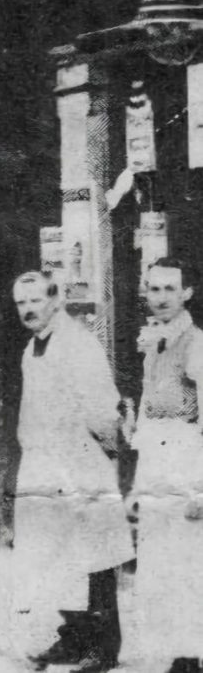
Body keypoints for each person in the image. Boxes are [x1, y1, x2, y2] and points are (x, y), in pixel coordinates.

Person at [10, 271, 131, 673]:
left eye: (35, 300)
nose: (28, 309)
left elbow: (101, 410)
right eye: (21, 303)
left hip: (80, 461)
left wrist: (98, 459)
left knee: (94, 553)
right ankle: (73, 637)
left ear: (55, 300)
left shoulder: (80, 343)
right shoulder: (31, 348)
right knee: (53, 554)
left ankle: (102, 647)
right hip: (43, 464)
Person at [129, 258, 203, 673]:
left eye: (169, 289)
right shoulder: (154, 340)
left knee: (188, 561)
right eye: (154, 289)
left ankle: (191, 655)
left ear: (186, 293)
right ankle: (176, 652)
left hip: (186, 457)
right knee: (159, 562)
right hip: (157, 458)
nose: (160, 298)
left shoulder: (196, 343)